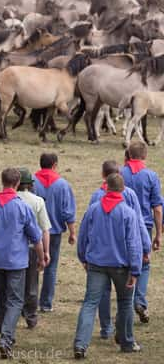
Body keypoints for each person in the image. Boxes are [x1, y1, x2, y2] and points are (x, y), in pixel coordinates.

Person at [0, 168, 45, 359]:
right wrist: (41, 258)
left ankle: (2, 323)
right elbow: (36, 238)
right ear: (17, 184)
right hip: (17, 261)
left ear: (2, 181)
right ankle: (6, 338)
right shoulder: (23, 207)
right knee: (16, 300)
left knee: (2, 296)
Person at [74, 174, 142, 359]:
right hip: (121, 266)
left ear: (106, 188)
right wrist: (135, 269)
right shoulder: (128, 213)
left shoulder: (93, 209)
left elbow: (83, 236)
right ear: (122, 189)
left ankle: (80, 344)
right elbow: (133, 244)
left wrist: (83, 258)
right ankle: (127, 342)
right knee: (125, 302)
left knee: (90, 303)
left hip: (96, 264)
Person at [89, 160, 151, 339]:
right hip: (123, 255)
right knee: (125, 296)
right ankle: (123, 331)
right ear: (120, 177)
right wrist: (145, 248)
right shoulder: (129, 194)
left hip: (100, 254)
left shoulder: (95, 196)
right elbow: (139, 223)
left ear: (103, 176)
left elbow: (89, 224)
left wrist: (86, 255)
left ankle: (106, 328)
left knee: (102, 292)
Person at [121, 141, 162, 323]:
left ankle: (126, 303)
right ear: (144, 156)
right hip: (144, 225)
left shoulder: (119, 174)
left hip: (120, 224)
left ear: (128, 154)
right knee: (144, 264)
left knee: (124, 264)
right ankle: (139, 301)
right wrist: (158, 233)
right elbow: (158, 208)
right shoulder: (151, 176)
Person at [33, 153, 76, 312]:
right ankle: (45, 303)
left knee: (33, 267)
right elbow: (68, 212)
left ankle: (31, 300)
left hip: (34, 231)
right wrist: (72, 232)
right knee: (51, 268)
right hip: (55, 231)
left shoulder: (32, 181)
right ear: (54, 165)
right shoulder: (63, 184)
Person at [16, 167, 51, 329]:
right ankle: (30, 316)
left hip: (13, 247)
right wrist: (46, 252)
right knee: (32, 284)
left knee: (14, 283)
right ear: (29, 185)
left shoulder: (10, 199)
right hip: (32, 248)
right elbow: (44, 229)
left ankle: (11, 314)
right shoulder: (38, 201)